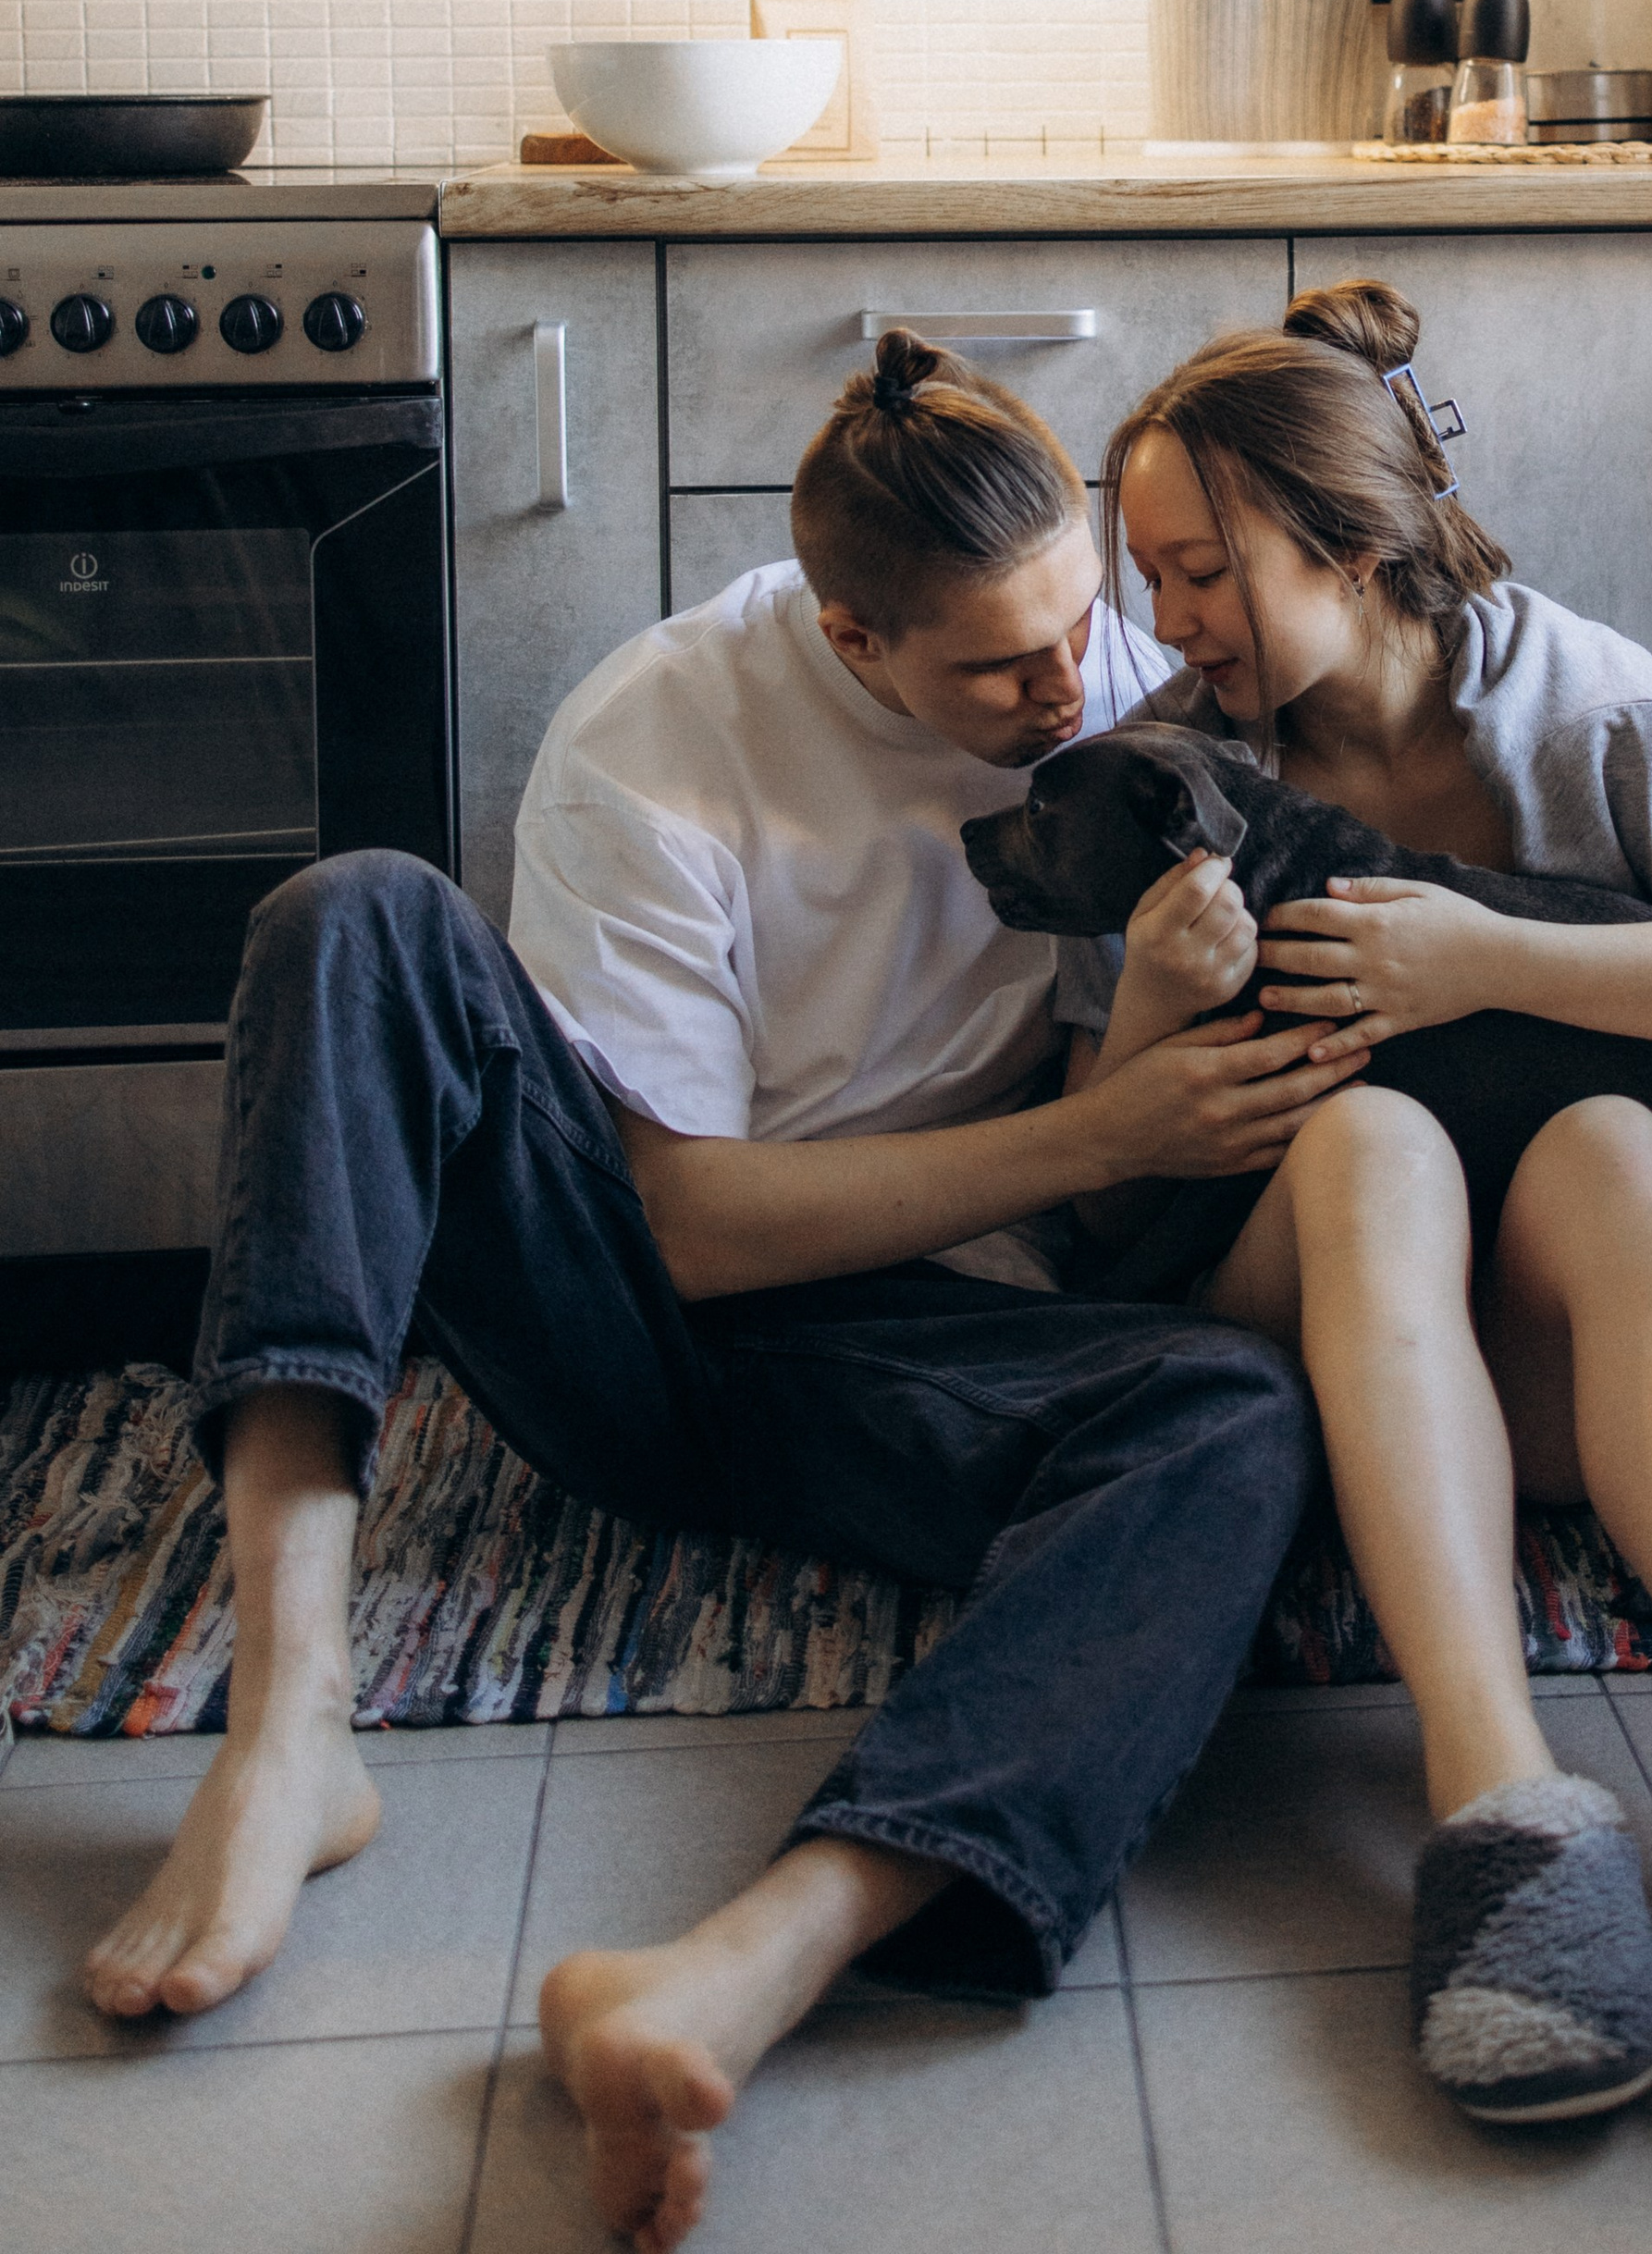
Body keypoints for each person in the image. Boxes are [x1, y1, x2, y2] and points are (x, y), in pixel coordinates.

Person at [81, 332, 1339, 2254]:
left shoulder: (1110, 706)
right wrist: (1104, 1141)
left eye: (1080, 620)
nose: (1068, 684)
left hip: (916, 1327)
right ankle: (286, 1723)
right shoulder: (662, 735)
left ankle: (750, 1960)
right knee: (353, 915)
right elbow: (683, 1227)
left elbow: (1114, 1129)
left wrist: (1152, 1051)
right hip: (651, 1312)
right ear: (850, 641)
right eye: (997, 668)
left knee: (1234, 1417)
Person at [1057, 278, 1652, 2135]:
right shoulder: (1171, 774)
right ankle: (1491, 1797)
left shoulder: (1574, 695)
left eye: (1202, 569)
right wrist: (1151, 991)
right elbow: (1092, 1172)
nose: (1166, 621)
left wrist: (1485, 960)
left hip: (1555, 1360)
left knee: (1612, 1144)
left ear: (1353, 541)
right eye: (1145, 576)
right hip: (1307, 1331)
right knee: (1370, 1146)